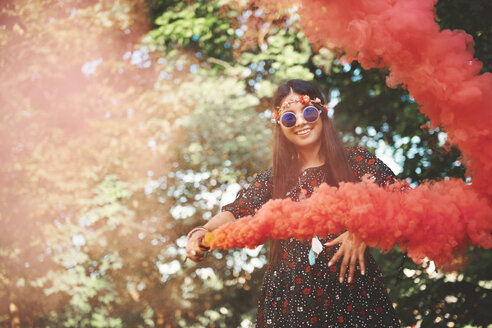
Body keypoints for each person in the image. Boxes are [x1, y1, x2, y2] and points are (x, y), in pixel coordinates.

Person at [185, 79, 401, 327]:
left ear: (322, 113)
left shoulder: (357, 161)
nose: (300, 122)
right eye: (289, 117)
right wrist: (202, 231)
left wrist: (363, 229)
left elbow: (401, 199)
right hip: (289, 307)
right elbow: (237, 211)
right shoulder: (271, 181)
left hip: (356, 302)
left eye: (308, 112)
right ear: (280, 124)